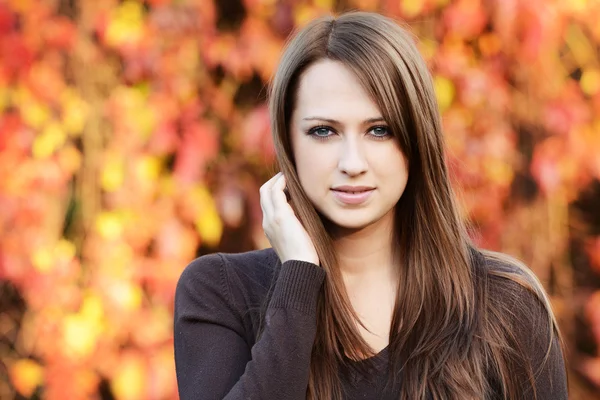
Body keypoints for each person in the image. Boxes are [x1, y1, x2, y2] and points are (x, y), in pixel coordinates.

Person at [173, 10, 568, 400]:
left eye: (379, 130)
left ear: (416, 141)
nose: (352, 164)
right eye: (323, 131)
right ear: (288, 143)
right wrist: (298, 278)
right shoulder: (220, 292)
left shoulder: (506, 306)